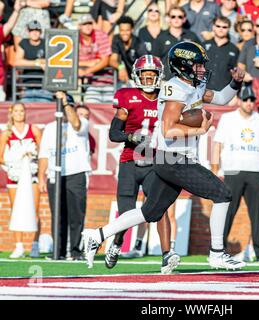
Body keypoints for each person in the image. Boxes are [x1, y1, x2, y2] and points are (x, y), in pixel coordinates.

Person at [82, 41, 247, 271]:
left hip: (170, 159)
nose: (202, 69)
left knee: (150, 212)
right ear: (184, 66)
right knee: (223, 194)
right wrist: (199, 130)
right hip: (174, 158)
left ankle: (97, 235)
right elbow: (169, 129)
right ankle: (217, 253)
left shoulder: (193, 84)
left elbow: (220, 98)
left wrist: (235, 83)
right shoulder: (176, 88)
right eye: (198, 65)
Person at [105, 54, 179, 273]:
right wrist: (131, 137)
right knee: (127, 213)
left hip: (155, 163)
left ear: (159, 76)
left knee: (160, 205)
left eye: (152, 75)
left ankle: (167, 255)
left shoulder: (167, 98)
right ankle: (117, 243)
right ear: (137, 76)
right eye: (144, 75)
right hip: (130, 161)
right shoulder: (127, 97)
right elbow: (113, 134)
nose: (148, 79)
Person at [212, 83, 259, 263]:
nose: (249, 103)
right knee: (228, 212)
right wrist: (215, 170)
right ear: (239, 100)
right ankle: (219, 250)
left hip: (254, 171)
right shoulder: (228, 118)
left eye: (252, 100)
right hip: (232, 171)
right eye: (246, 99)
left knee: (256, 215)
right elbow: (217, 144)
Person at [38, 91, 91, 260]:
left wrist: (66, 103)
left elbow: (75, 124)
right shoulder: (50, 128)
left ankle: (76, 252)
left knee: (76, 215)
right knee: (57, 215)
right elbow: (44, 154)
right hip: (56, 174)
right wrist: (41, 177)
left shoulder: (82, 122)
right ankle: (58, 252)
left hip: (76, 173)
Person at [0, 102, 42, 258]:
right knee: (15, 209)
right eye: (16, 111)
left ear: (25, 112)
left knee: (35, 209)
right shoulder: (6, 133)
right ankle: (19, 246)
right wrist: (15, 161)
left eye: (22, 110)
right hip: (15, 177)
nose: (19, 113)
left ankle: (35, 246)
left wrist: (31, 157)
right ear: (11, 113)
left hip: (32, 175)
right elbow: (1, 157)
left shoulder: (34, 130)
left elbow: (42, 152)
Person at [14, 20, 54, 102]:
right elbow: (17, 61)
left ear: (41, 32)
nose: (34, 33)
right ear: (28, 32)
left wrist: (45, 62)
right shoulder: (24, 43)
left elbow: (52, 61)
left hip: (45, 88)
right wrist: (37, 63)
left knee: (46, 111)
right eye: (32, 30)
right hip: (27, 87)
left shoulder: (47, 43)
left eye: (37, 30)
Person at [78, 14, 114, 103]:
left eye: (89, 23)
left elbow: (105, 61)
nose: (87, 26)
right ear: (79, 26)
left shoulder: (100, 35)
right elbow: (72, 61)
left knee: (111, 108)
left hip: (108, 80)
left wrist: (86, 71)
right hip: (90, 83)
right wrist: (90, 63)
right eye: (84, 24)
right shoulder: (76, 37)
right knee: (91, 106)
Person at [204, 16, 239, 91]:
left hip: (223, 93)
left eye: (224, 27)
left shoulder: (234, 50)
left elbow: (236, 74)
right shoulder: (203, 45)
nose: (221, 29)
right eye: (218, 26)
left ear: (229, 29)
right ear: (213, 27)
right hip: (202, 90)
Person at [110, 16, 147, 86]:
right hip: (125, 79)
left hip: (139, 80)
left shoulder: (138, 43)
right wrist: (121, 67)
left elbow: (144, 64)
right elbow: (112, 60)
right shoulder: (116, 39)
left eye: (127, 30)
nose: (124, 33)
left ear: (132, 30)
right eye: (122, 30)